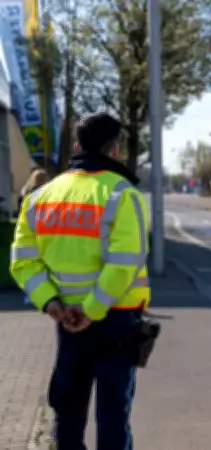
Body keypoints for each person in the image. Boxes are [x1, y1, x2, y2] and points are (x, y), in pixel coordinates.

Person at [9, 112, 150, 449]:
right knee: (113, 416)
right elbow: (123, 265)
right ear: (113, 149)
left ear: (76, 145)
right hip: (114, 320)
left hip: (66, 322)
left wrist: (52, 303)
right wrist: (92, 309)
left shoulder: (40, 197)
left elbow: (22, 261)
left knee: (68, 413)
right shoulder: (121, 194)